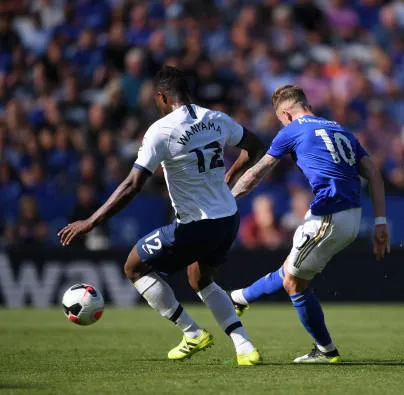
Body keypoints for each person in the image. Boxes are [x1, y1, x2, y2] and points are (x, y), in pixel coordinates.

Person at [58, 65, 266, 365]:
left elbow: (132, 185)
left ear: (162, 97)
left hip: (195, 225)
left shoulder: (162, 130)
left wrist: (91, 221)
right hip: (227, 219)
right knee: (201, 280)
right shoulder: (216, 118)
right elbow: (256, 146)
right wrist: (230, 176)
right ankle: (245, 348)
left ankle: (192, 333)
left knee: (133, 266)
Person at [227, 84, 390, 363]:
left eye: (280, 119)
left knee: (292, 281)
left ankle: (325, 350)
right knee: (293, 273)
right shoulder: (341, 129)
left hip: (328, 215)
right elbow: (373, 172)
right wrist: (380, 222)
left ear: (287, 115)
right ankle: (240, 298)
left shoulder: (292, 130)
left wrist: (228, 200)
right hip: (351, 216)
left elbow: (256, 173)